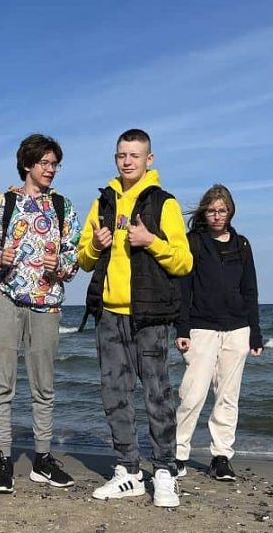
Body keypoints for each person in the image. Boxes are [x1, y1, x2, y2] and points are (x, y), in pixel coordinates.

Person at [76, 129, 193, 508]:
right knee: (114, 395)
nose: (127, 161)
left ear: (149, 159)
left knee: (157, 395)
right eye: (121, 155)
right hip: (109, 314)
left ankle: (164, 472)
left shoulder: (164, 203)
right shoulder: (102, 202)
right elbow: (83, 258)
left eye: (134, 155)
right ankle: (128, 471)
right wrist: (95, 246)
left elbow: (184, 262)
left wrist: (151, 241)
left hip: (151, 316)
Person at [0, 134, 81, 493]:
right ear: (27, 164)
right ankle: (3, 460)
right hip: (6, 299)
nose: (51, 169)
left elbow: (74, 254)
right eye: (44, 163)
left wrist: (60, 265)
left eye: (54, 164)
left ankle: (42, 459)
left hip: (47, 303)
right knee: (0, 383)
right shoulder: (4, 202)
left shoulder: (63, 206)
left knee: (44, 386)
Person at [174, 184, 263, 482]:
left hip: (238, 329)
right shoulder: (193, 242)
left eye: (222, 210)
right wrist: (182, 328)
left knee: (227, 397)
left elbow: (250, 290)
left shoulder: (242, 245)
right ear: (204, 212)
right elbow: (183, 289)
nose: (217, 215)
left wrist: (255, 333)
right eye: (211, 210)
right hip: (201, 328)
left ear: (230, 211)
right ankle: (178, 454)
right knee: (192, 394)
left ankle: (221, 457)